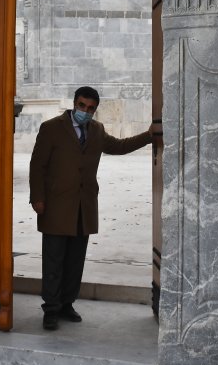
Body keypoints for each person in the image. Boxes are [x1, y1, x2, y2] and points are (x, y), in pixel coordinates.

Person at [28, 86, 156, 330]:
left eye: (90, 108)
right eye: (82, 106)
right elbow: (37, 166)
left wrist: (148, 136)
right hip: (56, 205)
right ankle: (51, 309)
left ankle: (67, 304)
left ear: (95, 110)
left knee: (75, 260)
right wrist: (37, 198)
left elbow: (119, 146)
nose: (85, 112)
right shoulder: (51, 128)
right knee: (54, 259)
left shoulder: (96, 130)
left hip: (83, 207)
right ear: (74, 103)